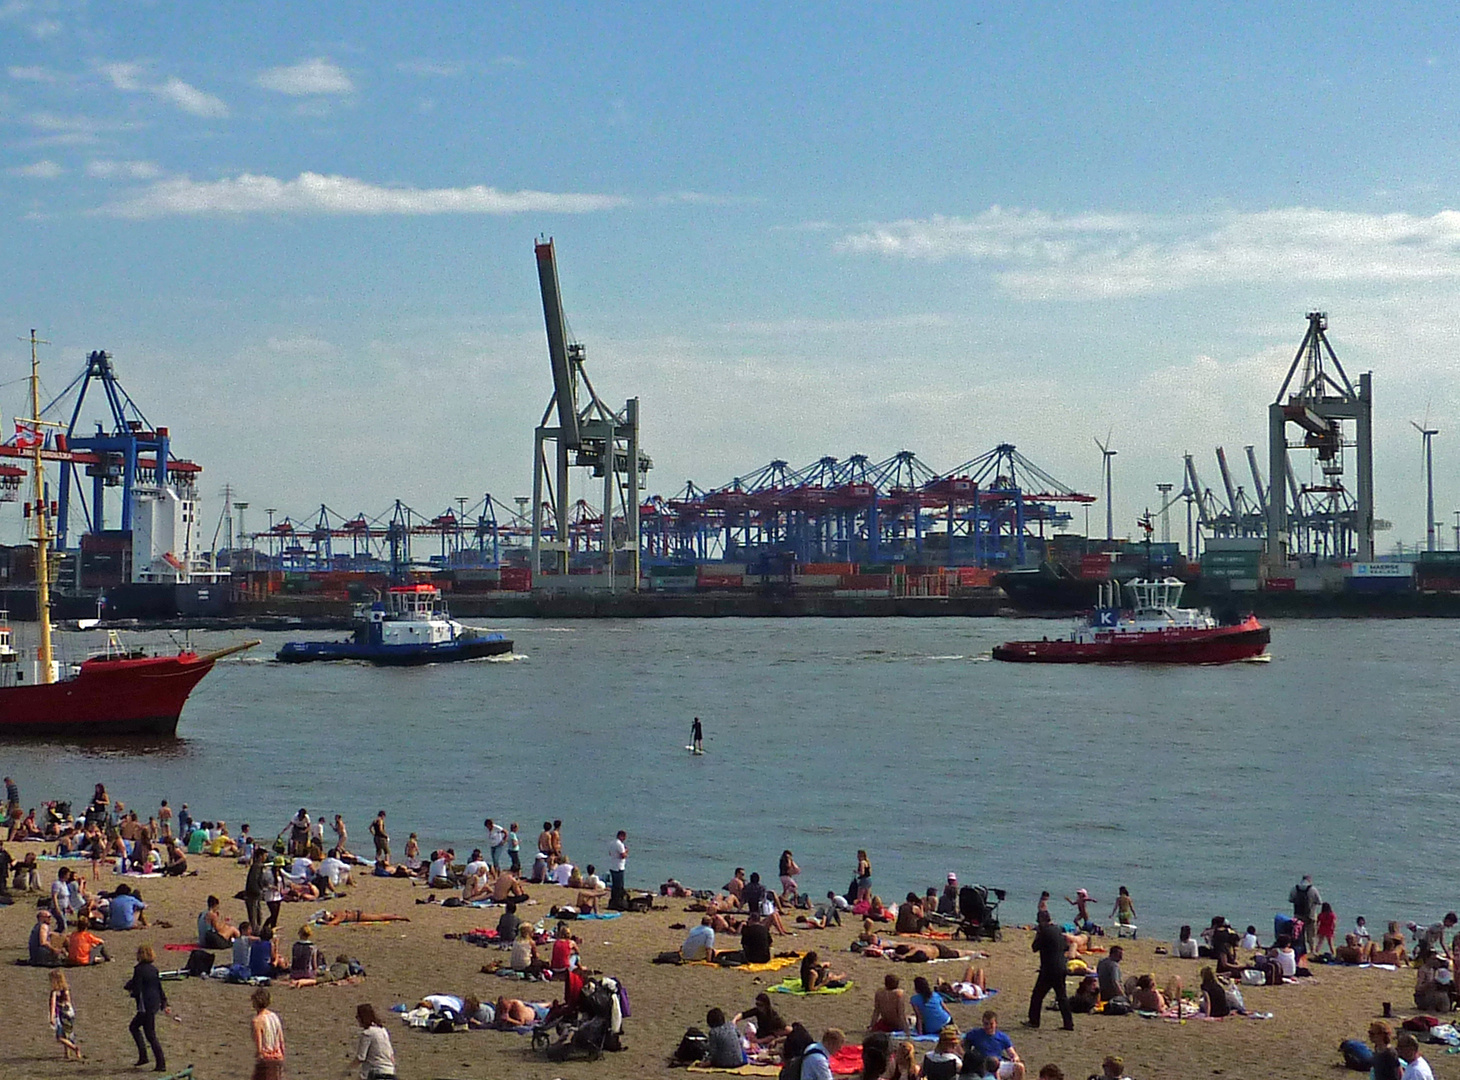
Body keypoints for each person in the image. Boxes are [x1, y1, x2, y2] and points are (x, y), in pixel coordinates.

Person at [125, 943, 169, 1072]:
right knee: (137, 1028)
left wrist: (131, 992)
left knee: (148, 1033)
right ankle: (144, 1057)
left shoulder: (138, 969)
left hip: (145, 1005)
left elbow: (137, 987)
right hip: (154, 1003)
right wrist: (164, 1002)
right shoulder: (153, 969)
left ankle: (160, 1063)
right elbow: (158, 987)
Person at [1026, 911, 1073, 1030]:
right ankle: (1068, 1023)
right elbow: (1065, 947)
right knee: (1062, 996)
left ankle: (1034, 1021)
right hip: (1061, 966)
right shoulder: (1058, 930)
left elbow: (1034, 947)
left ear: (1042, 920)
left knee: (1037, 995)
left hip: (1049, 969)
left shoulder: (1044, 932)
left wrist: (1038, 934)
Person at [962, 1010, 1025, 1080]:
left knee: (1019, 1067)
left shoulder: (1002, 1037)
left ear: (996, 1024)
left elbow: (1013, 1054)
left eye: (991, 1024)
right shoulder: (975, 1034)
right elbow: (962, 1043)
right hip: (982, 1065)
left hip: (998, 1064)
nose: (988, 1027)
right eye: (986, 1024)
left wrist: (1015, 1058)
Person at [251, 987, 285, 1080]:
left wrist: (259, 1056)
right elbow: (281, 1040)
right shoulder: (275, 1017)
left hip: (266, 1058)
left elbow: (260, 1045)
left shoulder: (257, 1020)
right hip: (278, 1056)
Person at [354, 1003, 396, 1079]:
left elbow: (361, 1057)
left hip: (376, 1073)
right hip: (389, 1071)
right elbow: (391, 1056)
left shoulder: (367, 1033)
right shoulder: (383, 1031)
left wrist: (347, 1070)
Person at [49, 969, 81, 1061]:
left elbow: (53, 1004)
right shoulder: (66, 989)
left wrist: (52, 1017)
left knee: (60, 1037)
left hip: (60, 1014)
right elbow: (68, 1001)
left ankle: (74, 1048)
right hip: (69, 1012)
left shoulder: (55, 992)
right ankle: (67, 1054)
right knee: (67, 1033)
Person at [1289, 875, 1321, 954]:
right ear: (1309, 880)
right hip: (1310, 915)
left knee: (1299, 934)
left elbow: (1291, 899)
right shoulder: (1313, 889)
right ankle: (1312, 950)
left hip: (1298, 915)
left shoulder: (1295, 888)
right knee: (1311, 935)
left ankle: (1301, 949)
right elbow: (1319, 901)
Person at [608, 829, 629, 910]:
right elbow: (623, 855)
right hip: (619, 867)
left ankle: (614, 901)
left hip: (613, 866)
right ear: (621, 836)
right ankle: (618, 902)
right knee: (619, 886)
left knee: (614, 886)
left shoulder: (612, 843)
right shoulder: (619, 844)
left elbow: (610, 853)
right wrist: (626, 851)